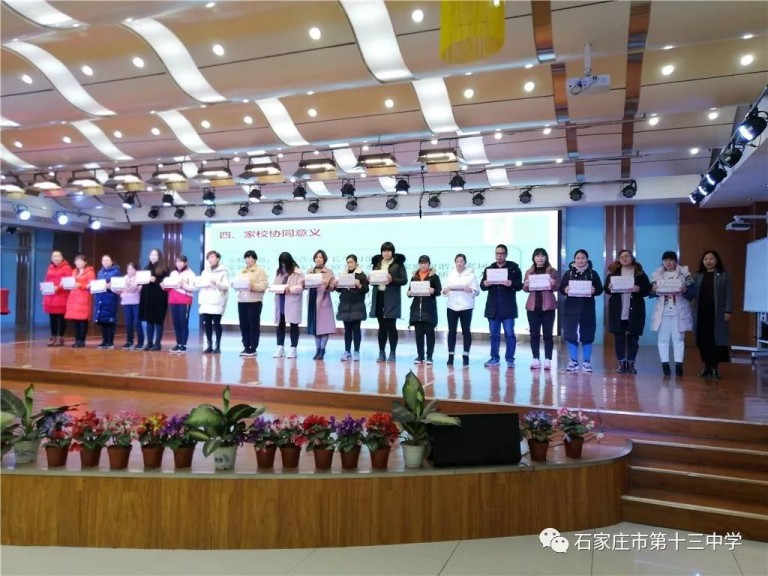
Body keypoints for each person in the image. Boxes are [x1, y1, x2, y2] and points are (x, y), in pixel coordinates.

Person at [604, 250, 651, 374]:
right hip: (618, 310)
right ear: (619, 259)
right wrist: (609, 287)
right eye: (622, 257)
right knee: (619, 338)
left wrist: (639, 289)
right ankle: (621, 364)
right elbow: (606, 288)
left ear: (632, 258)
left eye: (627, 256)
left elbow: (647, 289)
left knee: (633, 339)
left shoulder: (639, 273)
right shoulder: (614, 273)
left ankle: (631, 364)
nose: (624, 258)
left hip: (635, 311)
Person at [650, 251, 696, 377]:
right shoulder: (656, 275)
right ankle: (665, 364)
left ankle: (678, 364)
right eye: (665, 260)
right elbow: (650, 293)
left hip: (679, 311)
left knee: (678, 339)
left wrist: (685, 290)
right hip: (663, 311)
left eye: (671, 260)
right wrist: (653, 290)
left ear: (676, 261)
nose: (668, 263)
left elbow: (693, 291)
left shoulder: (685, 274)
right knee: (662, 339)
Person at [559, 249, 604, 372]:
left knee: (587, 333)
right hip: (571, 308)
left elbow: (600, 289)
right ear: (574, 260)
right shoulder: (568, 273)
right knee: (571, 334)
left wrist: (595, 290)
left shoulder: (592, 274)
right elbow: (561, 288)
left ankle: (586, 361)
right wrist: (565, 290)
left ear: (587, 259)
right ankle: (573, 361)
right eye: (578, 258)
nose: (580, 260)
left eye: (583, 258)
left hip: (587, 308)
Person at [691, 250, 732, 379]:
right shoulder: (697, 276)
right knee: (703, 340)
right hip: (701, 313)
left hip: (717, 313)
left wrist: (728, 311)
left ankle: (714, 367)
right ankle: (706, 367)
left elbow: (729, 295)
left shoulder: (723, 275)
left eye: (711, 258)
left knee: (716, 340)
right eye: (706, 259)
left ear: (717, 260)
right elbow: (689, 292)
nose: (708, 261)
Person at [480, 244, 523, 368]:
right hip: (493, 307)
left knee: (509, 334)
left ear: (506, 254)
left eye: (502, 253)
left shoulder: (514, 268)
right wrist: (485, 284)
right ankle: (494, 358)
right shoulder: (489, 269)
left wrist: (511, 284)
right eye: (497, 253)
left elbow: (520, 285)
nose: (499, 256)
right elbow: (482, 286)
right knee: (494, 335)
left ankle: (510, 359)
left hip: (508, 307)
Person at [369, 241, 407, 363]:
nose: (386, 253)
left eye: (388, 251)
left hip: (391, 298)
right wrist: (370, 279)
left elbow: (404, 280)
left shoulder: (398, 264)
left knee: (391, 326)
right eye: (384, 251)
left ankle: (392, 352)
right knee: (381, 326)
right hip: (379, 296)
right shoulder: (377, 263)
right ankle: (381, 352)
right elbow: (373, 279)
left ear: (392, 252)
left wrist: (393, 279)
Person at [522, 248, 560, 370]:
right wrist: (526, 285)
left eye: (543, 256)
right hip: (533, 307)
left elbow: (557, 287)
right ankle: (535, 359)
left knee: (548, 334)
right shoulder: (529, 272)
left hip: (548, 307)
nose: (540, 258)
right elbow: (525, 289)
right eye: (537, 256)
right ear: (533, 258)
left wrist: (554, 283)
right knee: (534, 334)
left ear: (546, 257)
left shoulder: (553, 271)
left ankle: (548, 359)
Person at [442, 253, 480, 366]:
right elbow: (444, 291)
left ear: (465, 263)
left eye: (461, 261)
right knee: (451, 331)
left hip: (466, 306)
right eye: (457, 261)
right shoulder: (451, 274)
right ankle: (450, 355)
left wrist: (469, 290)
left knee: (466, 331)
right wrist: (445, 290)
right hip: (452, 306)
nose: (459, 264)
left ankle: (465, 355)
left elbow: (477, 292)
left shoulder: (471, 275)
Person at [408, 255, 442, 365]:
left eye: (425, 263)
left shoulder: (434, 277)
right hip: (416, 310)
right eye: (421, 263)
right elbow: (409, 292)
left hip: (429, 310)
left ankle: (429, 356)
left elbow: (439, 291)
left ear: (429, 264)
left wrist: (433, 291)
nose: (423, 265)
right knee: (418, 335)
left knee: (430, 334)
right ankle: (420, 356)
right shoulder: (414, 277)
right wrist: (409, 293)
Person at [335, 254, 369, 362]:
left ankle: (356, 351)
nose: (349, 264)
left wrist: (359, 285)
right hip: (345, 306)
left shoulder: (361, 275)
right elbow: (339, 290)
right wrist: (337, 285)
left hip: (357, 306)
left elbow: (366, 289)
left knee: (356, 329)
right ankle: (347, 351)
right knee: (347, 330)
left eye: (351, 262)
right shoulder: (343, 275)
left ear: (356, 263)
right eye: (348, 262)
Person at [235, 250, 268, 358]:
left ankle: (253, 347)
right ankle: (246, 345)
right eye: (246, 257)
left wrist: (252, 285)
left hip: (254, 301)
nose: (247, 260)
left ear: (255, 259)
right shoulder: (242, 271)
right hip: (242, 300)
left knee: (253, 325)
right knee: (243, 324)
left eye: (250, 257)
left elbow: (263, 286)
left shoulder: (260, 271)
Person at [273, 252, 304, 359]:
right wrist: (274, 288)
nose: (283, 265)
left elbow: (301, 287)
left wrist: (290, 289)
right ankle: (280, 347)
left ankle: (293, 348)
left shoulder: (297, 272)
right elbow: (275, 284)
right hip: (281, 301)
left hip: (292, 302)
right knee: (280, 325)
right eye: (281, 263)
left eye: (285, 263)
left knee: (294, 325)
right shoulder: (279, 272)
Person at [306, 250, 336, 361]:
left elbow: (333, 288)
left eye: (321, 257)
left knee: (324, 327)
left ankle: (323, 350)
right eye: (316, 257)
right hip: (312, 301)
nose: (318, 259)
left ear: (324, 259)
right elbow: (305, 285)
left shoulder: (329, 272)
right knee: (315, 328)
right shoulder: (310, 271)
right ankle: (317, 349)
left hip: (324, 302)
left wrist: (327, 284)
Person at [198, 250, 230, 354]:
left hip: (217, 301)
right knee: (207, 324)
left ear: (218, 258)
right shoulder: (205, 272)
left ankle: (218, 345)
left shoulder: (223, 271)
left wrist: (216, 282)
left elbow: (226, 286)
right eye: (209, 257)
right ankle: (209, 345)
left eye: (212, 257)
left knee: (216, 323)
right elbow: (201, 283)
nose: (210, 259)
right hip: (206, 300)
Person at [139, 248, 170, 351]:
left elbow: (166, 283)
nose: (153, 256)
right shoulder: (146, 268)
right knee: (149, 321)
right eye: (151, 255)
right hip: (147, 298)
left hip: (159, 298)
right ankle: (149, 342)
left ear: (159, 256)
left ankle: (157, 344)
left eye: (155, 255)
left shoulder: (164, 269)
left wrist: (155, 280)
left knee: (158, 321)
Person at [64, 254, 95, 348]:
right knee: (75, 320)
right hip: (73, 297)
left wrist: (80, 285)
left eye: (80, 261)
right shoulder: (74, 271)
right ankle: (77, 339)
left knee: (82, 320)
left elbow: (91, 285)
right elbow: (71, 283)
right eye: (76, 261)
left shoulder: (90, 272)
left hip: (83, 297)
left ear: (85, 262)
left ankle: (82, 340)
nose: (78, 263)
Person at [166, 255, 196, 354]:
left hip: (184, 300)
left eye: (181, 262)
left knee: (183, 322)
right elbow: (170, 286)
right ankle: (178, 344)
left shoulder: (190, 274)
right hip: (173, 300)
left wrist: (184, 285)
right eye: (177, 262)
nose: (178, 264)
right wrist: (165, 286)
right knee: (176, 323)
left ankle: (183, 345)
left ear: (186, 263)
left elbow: (193, 288)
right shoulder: (173, 273)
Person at [42, 250, 72, 347]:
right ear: (51, 258)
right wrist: (44, 287)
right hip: (50, 296)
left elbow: (68, 282)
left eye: (58, 256)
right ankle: (53, 336)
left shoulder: (67, 267)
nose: (56, 258)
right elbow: (46, 280)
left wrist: (58, 287)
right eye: (54, 256)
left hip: (61, 295)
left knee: (61, 318)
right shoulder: (50, 267)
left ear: (62, 257)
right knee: (52, 318)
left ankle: (60, 337)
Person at [93, 254, 121, 349]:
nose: (105, 262)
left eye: (107, 260)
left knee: (110, 320)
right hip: (101, 298)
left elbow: (117, 285)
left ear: (111, 261)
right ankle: (104, 341)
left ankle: (110, 342)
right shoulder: (100, 272)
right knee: (103, 321)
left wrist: (110, 286)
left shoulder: (116, 272)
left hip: (110, 298)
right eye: (103, 260)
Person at [119, 262, 143, 350]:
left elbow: (133, 289)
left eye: (132, 269)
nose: (130, 271)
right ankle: (129, 341)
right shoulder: (124, 278)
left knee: (137, 323)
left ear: (136, 270)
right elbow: (120, 289)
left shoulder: (139, 278)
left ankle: (140, 342)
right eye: (129, 269)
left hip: (136, 302)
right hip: (126, 302)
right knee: (128, 323)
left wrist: (127, 286)